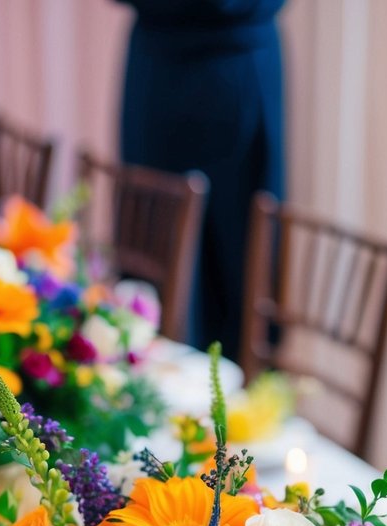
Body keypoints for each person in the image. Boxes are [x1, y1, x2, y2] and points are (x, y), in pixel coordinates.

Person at [118, 0, 287, 359]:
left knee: (244, 265)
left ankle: (244, 404)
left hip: (239, 58)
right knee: (151, 254)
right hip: (158, 61)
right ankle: (147, 391)